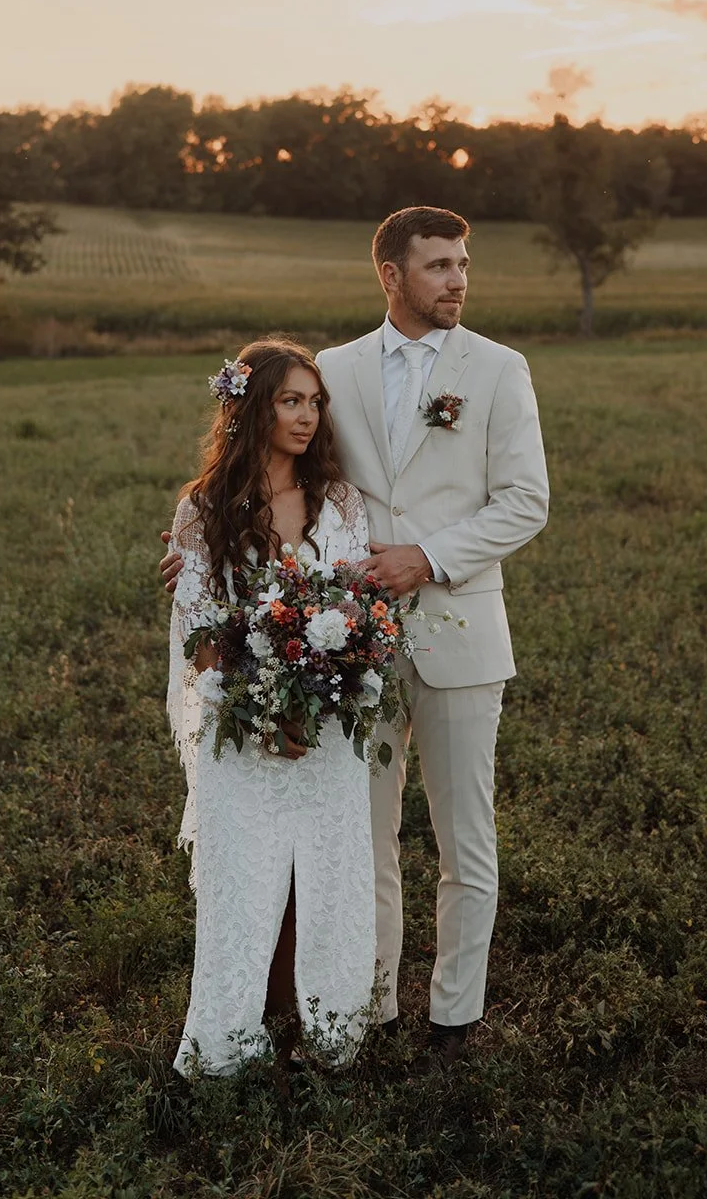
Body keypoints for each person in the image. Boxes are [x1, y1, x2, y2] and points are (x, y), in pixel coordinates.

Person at [162, 207, 548, 1067]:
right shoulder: (330, 369)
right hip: (341, 652)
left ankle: (455, 1014)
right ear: (391, 275)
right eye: (438, 265)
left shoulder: (497, 369)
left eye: (462, 264)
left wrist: (429, 557)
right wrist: (196, 544)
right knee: (359, 841)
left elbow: (526, 502)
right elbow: (278, 478)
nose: (456, 279)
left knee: (463, 837)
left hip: (458, 625)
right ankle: (361, 1010)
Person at [166, 336, 377, 1077]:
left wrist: (322, 692)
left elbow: (355, 611)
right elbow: (200, 633)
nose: (307, 417)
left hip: (324, 731)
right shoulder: (202, 509)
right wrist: (260, 709)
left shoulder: (339, 502)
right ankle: (225, 1046)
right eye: (290, 400)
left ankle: (329, 1036)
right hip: (243, 728)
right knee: (240, 889)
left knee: (331, 879)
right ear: (251, 407)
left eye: (314, 402)